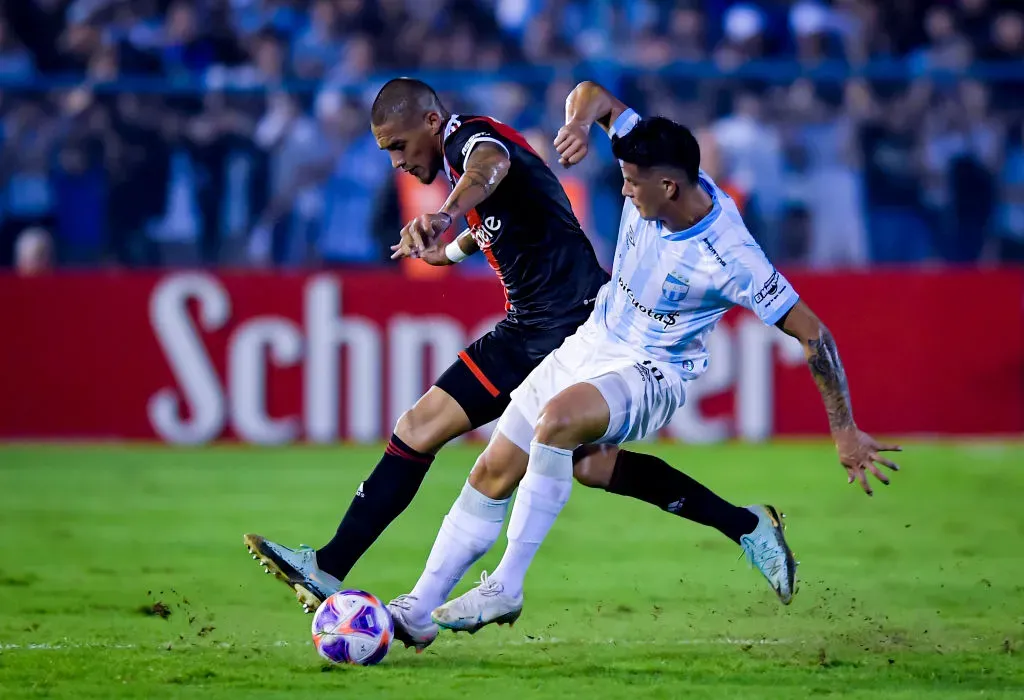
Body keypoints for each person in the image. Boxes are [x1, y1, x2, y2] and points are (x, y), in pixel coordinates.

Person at [243, 79, 788, 645]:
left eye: (400, 146)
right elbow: (502, 216)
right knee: (590, 466)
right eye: (388, 153)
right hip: (540, 323)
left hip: (556, 325)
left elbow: (489, 168)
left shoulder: (472, 144)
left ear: (431, 124)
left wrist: (447, 213)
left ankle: (346, 571)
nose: (398, 162)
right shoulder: (465, 159)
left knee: (422, 431)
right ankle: (747, 525)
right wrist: (450, 251)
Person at [387, 81, 901, 643]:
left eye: (632, 184)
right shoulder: (648, 154)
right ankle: (417, 612)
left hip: (654, 369)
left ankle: (507, 585)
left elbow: (815, 335)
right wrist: (582, 125)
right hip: (592, 338)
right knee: (497, 469)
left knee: (557, 425)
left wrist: (844, 427)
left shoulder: (730, 257)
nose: (625, 193)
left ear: (669, 185)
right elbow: (592, 94)